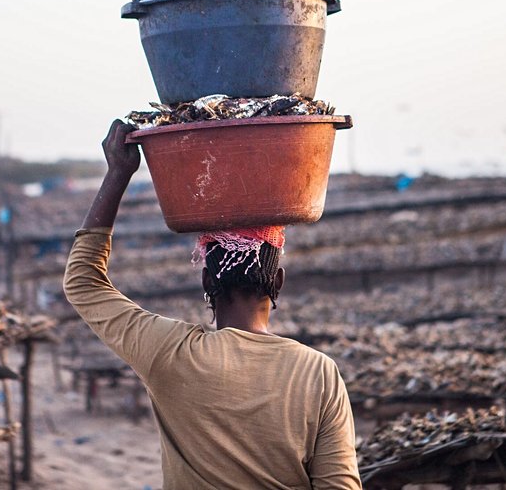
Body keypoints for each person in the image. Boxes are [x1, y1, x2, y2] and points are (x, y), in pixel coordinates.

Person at [64, 120, 361, 489]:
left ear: (207, 282)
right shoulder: (318, 373)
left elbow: (83, 283)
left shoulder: (170, 353)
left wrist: (118, 173)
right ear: (278, 283)